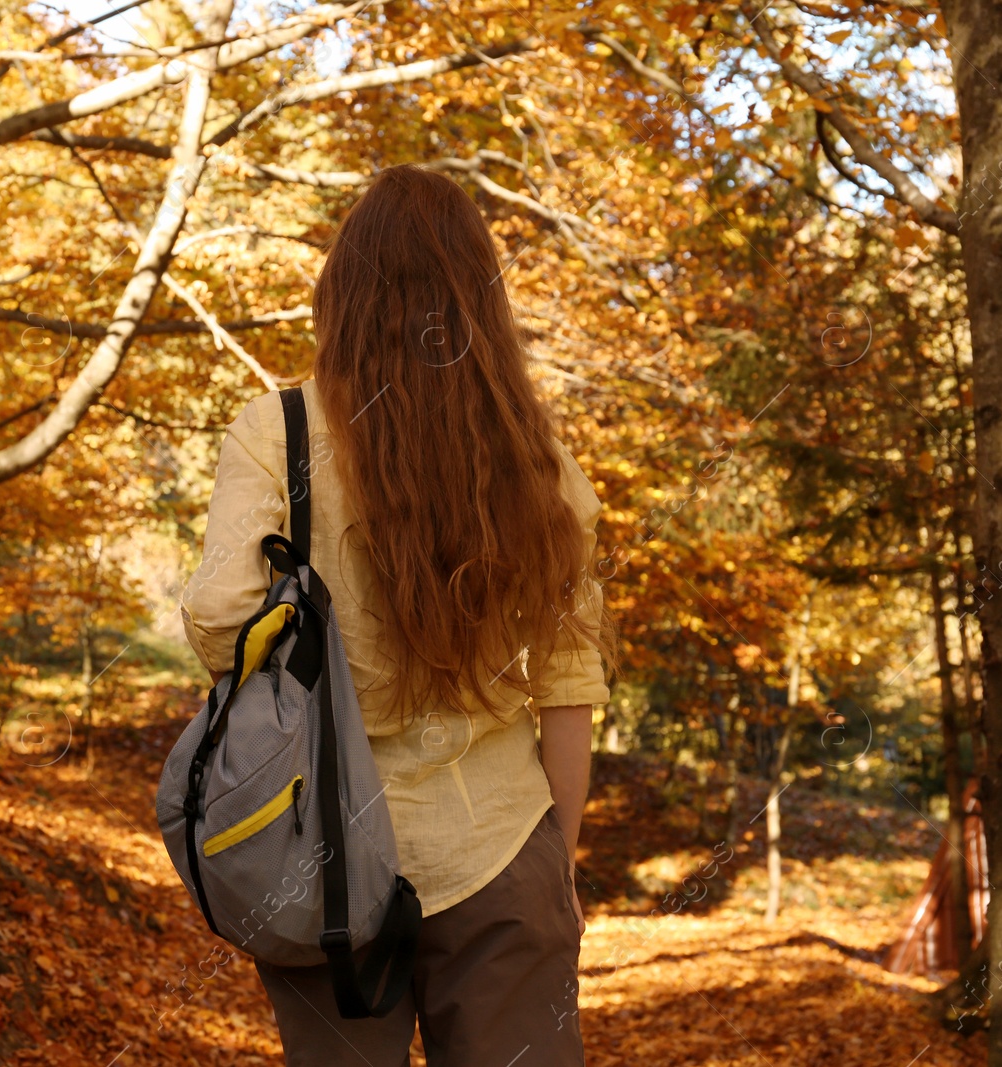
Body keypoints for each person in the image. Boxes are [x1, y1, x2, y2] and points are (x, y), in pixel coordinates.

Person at [178, 165, 612, 1066]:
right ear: (478, 305)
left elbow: (222, 619)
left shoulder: (278, 433)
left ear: (343, 290)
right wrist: (555, 860)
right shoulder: (541, 464)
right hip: (505, 847)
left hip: (318, 849)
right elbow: (571, 685)